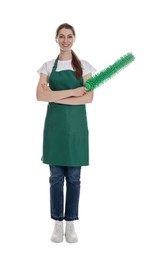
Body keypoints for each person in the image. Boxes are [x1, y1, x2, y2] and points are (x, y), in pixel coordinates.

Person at [36, 23, 96, 243]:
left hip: (76, 131)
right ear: (56, 39)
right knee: (54, 178)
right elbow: (40, 97)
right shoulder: (47, 66)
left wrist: (55, 95)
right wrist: (72, 92)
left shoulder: (85, 67)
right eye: (61, 36)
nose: (65, 40)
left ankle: (70, 223)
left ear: (74, 38)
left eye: (69, 36)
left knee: (74, 178)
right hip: (54, 130)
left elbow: (88, 98)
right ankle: (57, 223)